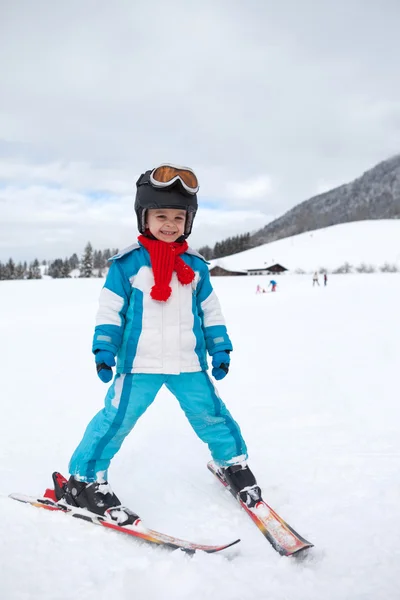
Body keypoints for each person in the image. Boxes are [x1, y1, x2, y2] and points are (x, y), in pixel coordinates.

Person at [57, 164, 262, 524]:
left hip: (189, 364)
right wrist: (104, 349)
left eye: (178, 217)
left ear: (189, 221)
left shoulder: (195, 267)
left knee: (212, 415)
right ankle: (83, 481)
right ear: (144, 218)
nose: (170, 224)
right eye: (161, 215)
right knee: (115, 420)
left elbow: (210, 313)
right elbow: (110, 310)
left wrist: (221, 348)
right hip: (140, 365)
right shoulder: (128, 265)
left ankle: (232, 463)